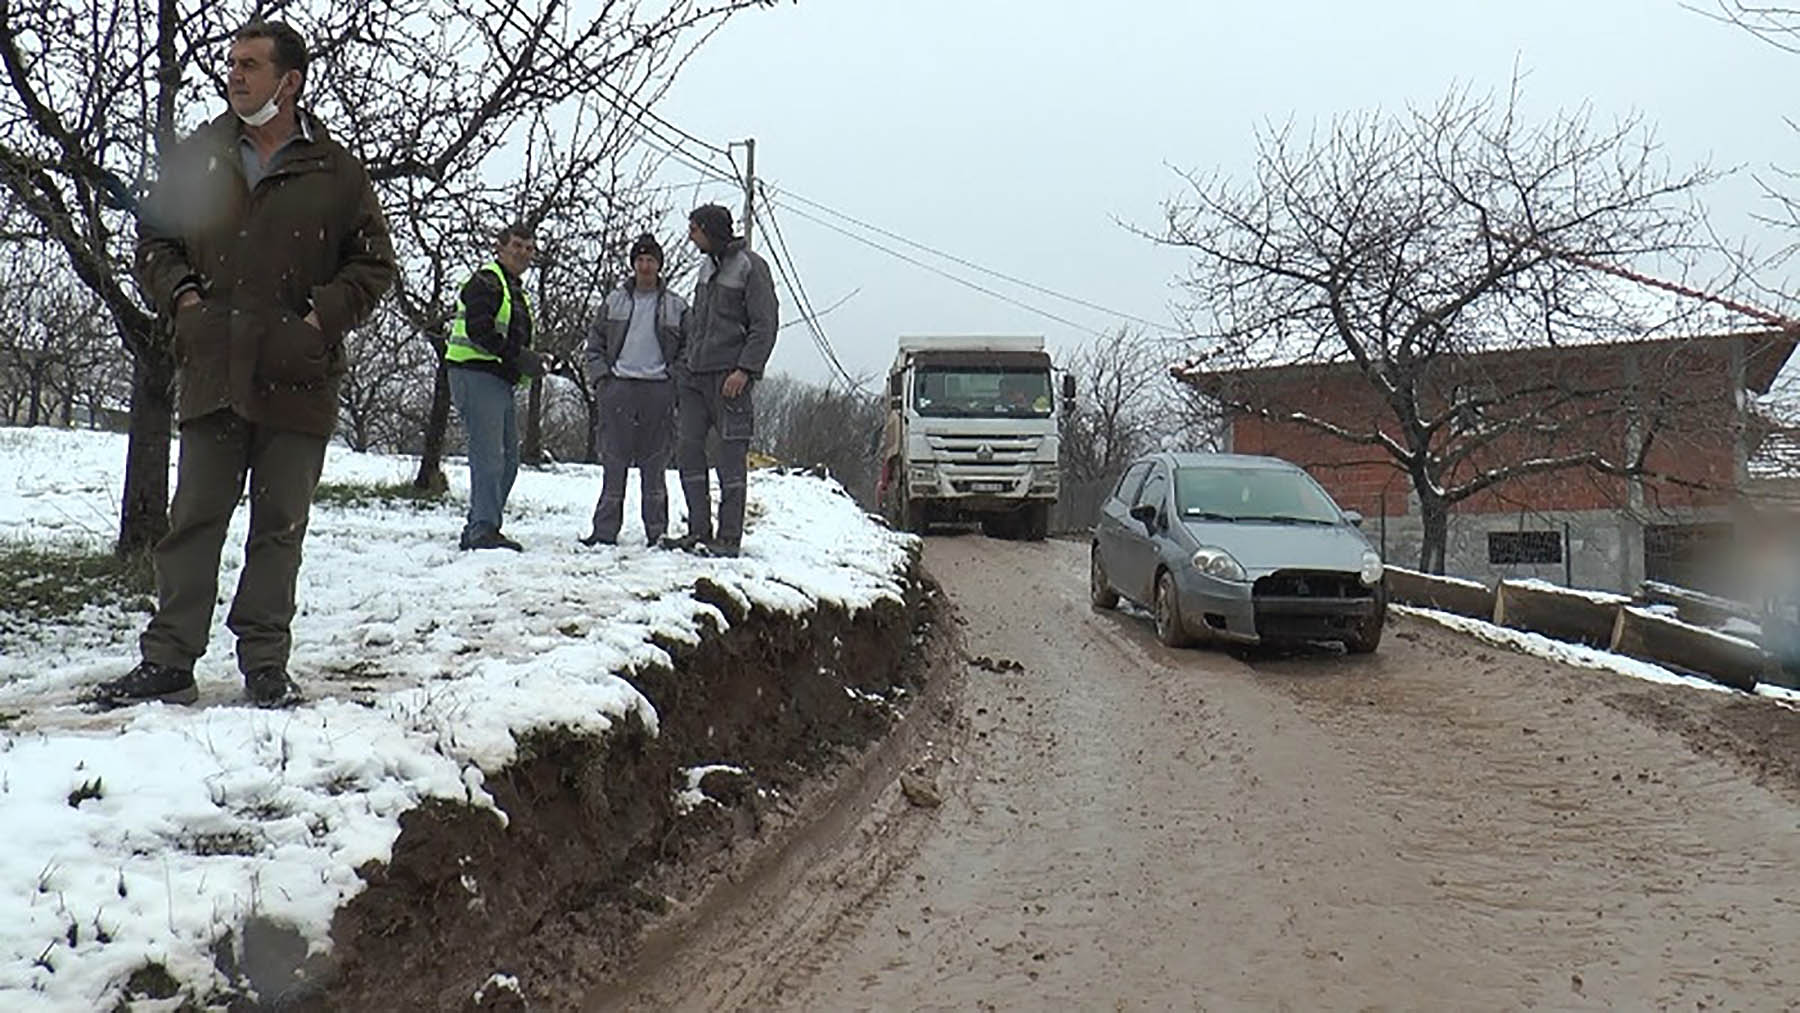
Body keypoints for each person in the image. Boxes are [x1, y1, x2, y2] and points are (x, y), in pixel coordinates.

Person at [89, 20, 395, 710]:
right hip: (212, 365)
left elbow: (375, 264)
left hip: (298, 375)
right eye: (231, 63)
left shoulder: (335, 170)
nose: (234, 75)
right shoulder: (201, 154)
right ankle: (169, 659)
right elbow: (155, 240)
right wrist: (186, 301)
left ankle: (264, 663)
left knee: (279, 524)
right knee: (194, 516)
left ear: (290, 81)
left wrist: (319, 318)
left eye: (250, 65)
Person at [664, 204, 778, 558]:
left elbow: (765, 325)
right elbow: (697, 323)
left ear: (709, 229)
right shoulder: (705, 267)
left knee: (731, 459)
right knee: (687, 451)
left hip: (731, 379)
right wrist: (684, 365)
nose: (690, 236)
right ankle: (699, 530)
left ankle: (729, 538)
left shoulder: (751, 266)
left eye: (694, 229)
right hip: (695, 377)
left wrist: (744, 370)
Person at [581, 233, 687, 547]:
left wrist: (674, 381)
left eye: (651, 260)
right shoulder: (614, 301)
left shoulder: (676, 306)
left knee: (655, 465)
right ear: (633, 264)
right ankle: (604, 533)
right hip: (619, 388)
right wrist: (602, 379)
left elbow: (688, 349)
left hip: (658, 391)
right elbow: (595, 343)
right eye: (640, 260)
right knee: (614, 462)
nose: (645, 266)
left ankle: (657, 533)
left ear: (659, 265)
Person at [445, 223, 543, 551]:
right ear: (499, 248)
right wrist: (519, 356)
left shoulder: (513, 288)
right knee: (489, 458)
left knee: (508, 460)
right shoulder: (486, 281)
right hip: (475, 373)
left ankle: (480, 523)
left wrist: (527, 361)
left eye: (529, 248)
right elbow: (479, 330)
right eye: (517, 245)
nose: (523, 253)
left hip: (497, 378)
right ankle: (483, 530)